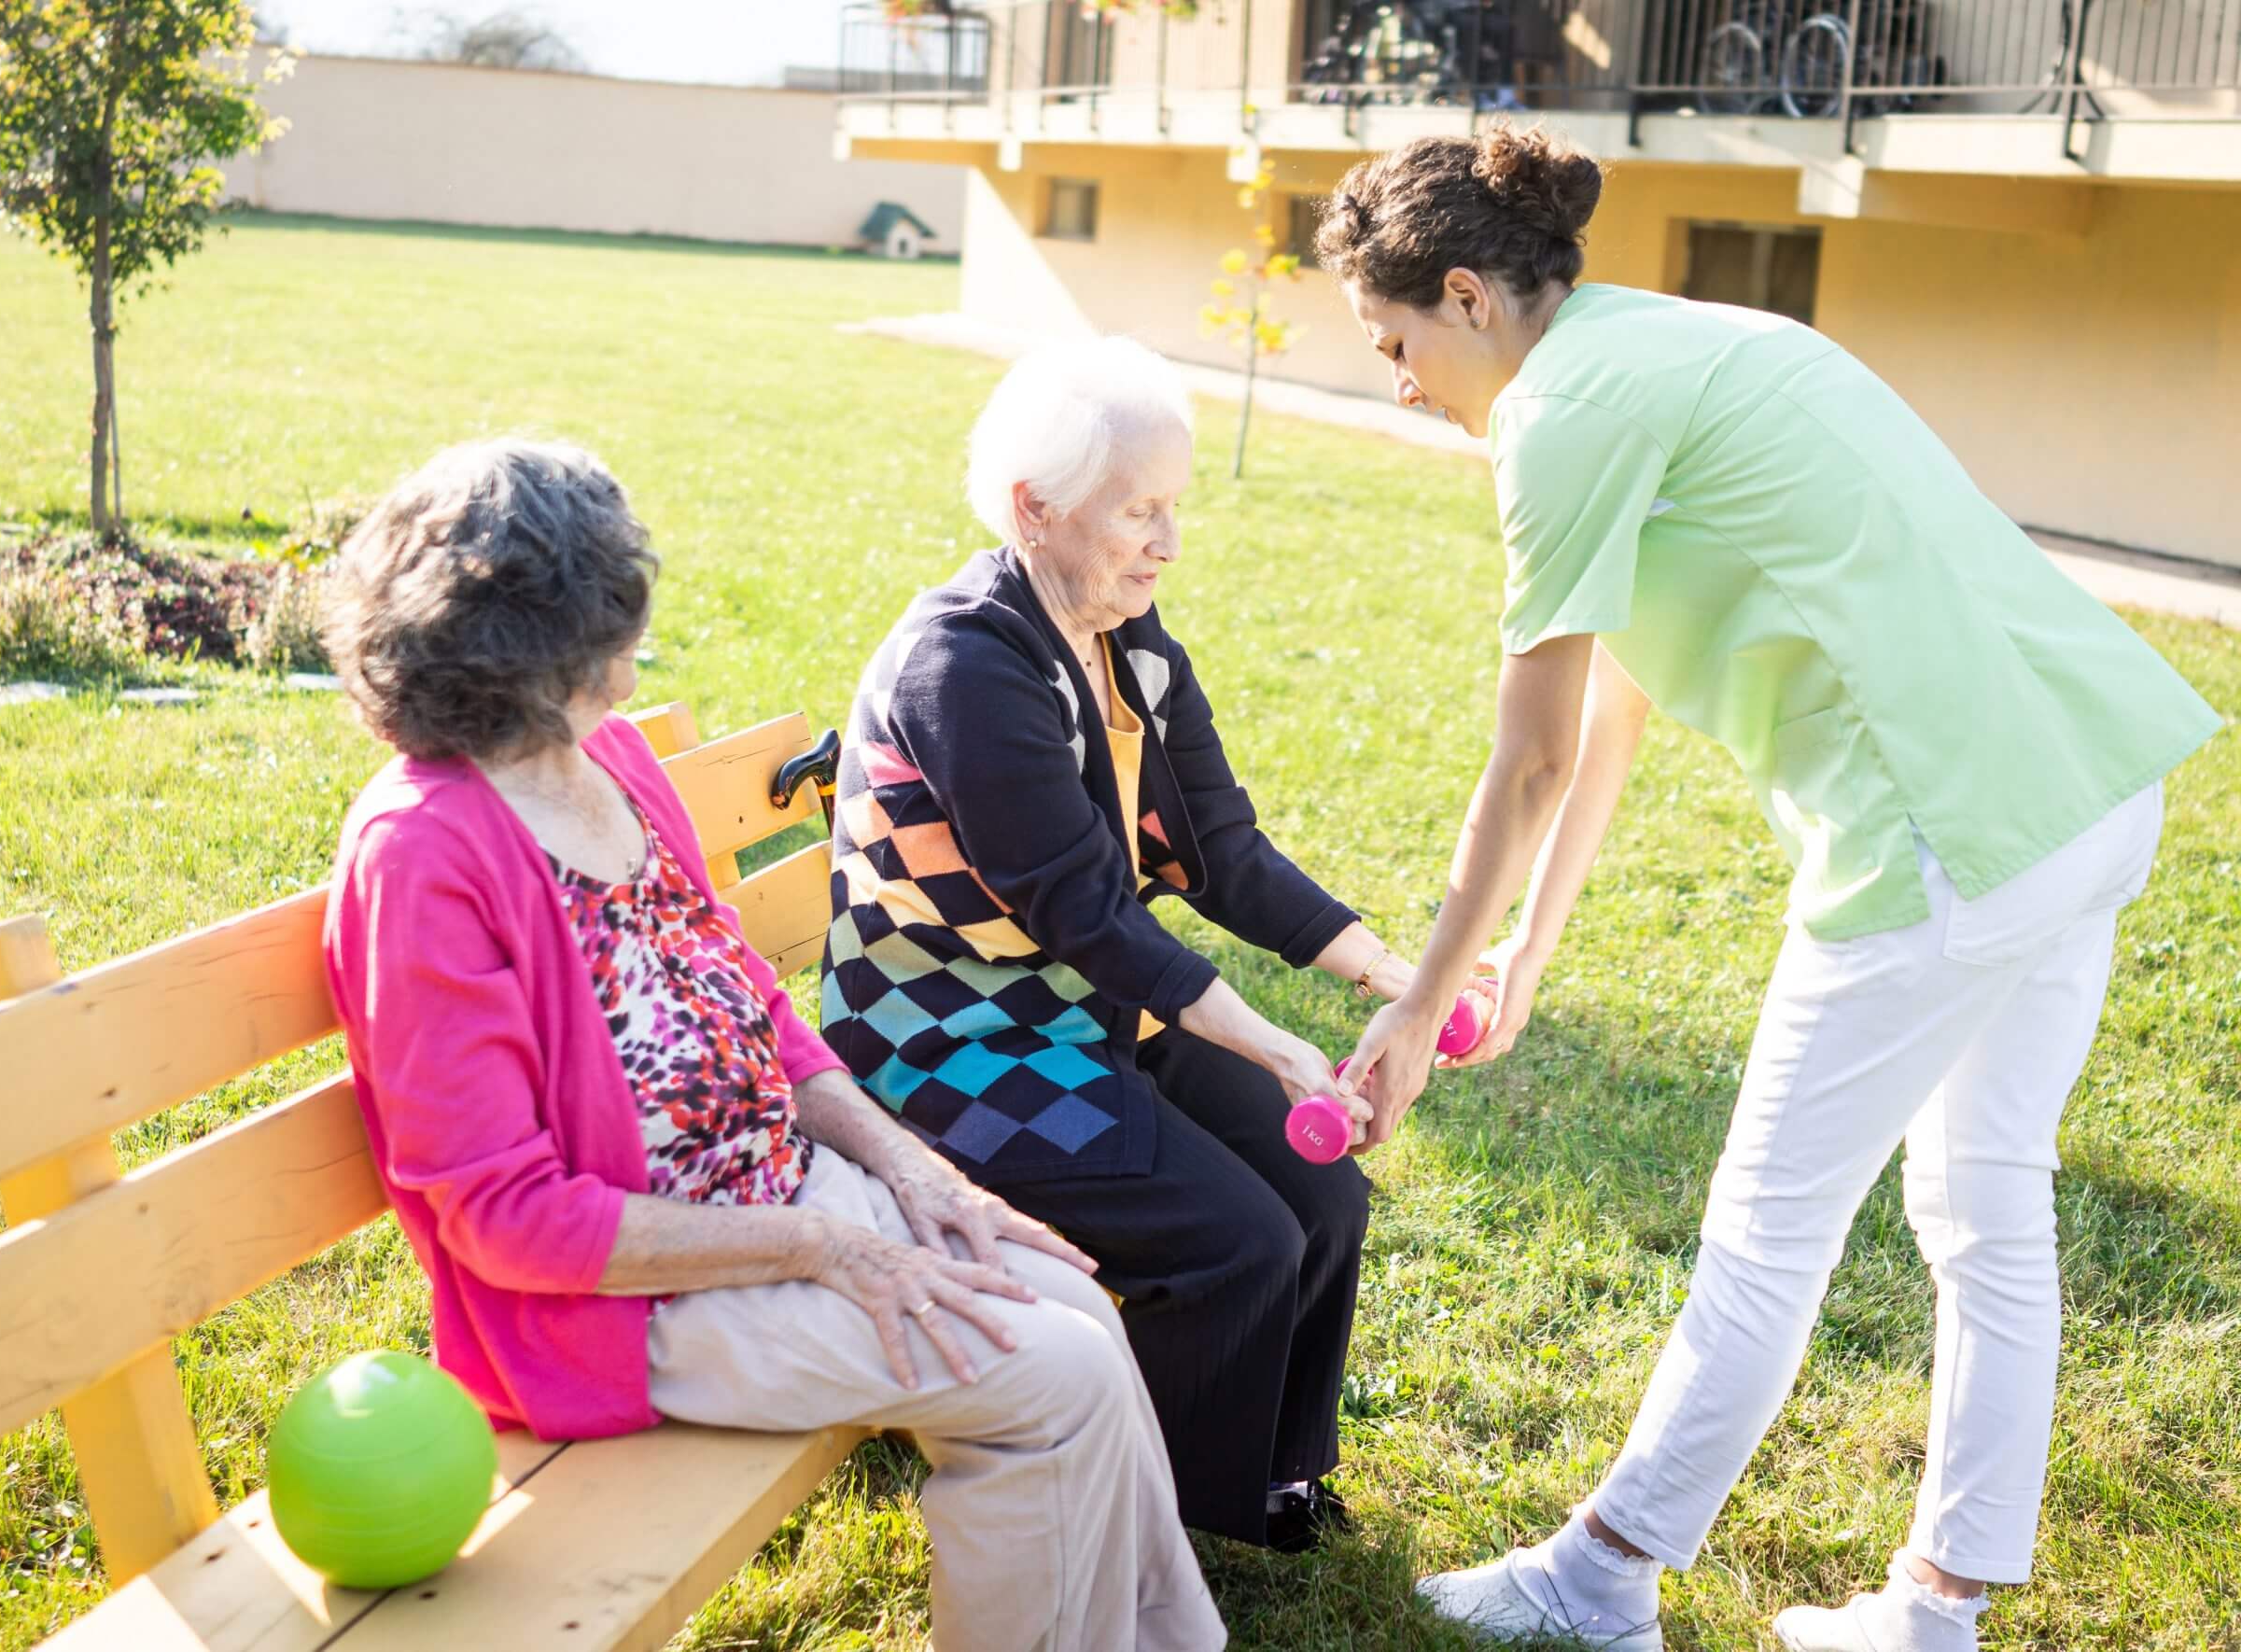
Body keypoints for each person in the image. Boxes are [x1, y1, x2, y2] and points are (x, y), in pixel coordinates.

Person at [1315, 131, 2220, 1650]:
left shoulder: (1560, 411)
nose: (1398, 380)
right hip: (2090, 788)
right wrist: (1528, 951)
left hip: (1945, 830)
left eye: (1393, 342)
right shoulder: (1678, 339)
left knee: (1767, 1231)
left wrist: (1418, 1001)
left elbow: (1527, 759)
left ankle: (1600, 1576)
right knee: (1988, 1200)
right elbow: (1613, 699)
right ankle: (1937, 1609)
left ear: (1464, 297)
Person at [319, 438, 1225, 1652]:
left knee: (1077, 1309)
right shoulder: (421, 853)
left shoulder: (610, 760)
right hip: (634, 1295)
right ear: (515, 654)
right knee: (1048, 1381)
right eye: (606, 637)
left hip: (783, 1192)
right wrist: (818, 1245)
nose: (630, 659)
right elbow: (503, 1216)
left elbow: (745, 994)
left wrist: (910, 1169)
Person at [821, 338, 1418, 1552]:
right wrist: (1278, 1048)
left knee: (1323, 1192)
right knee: (1234, 1244)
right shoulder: (966, 665)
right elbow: (1085, 908)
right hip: (948, 1046)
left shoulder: (1131, 645)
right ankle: (1159, 1526)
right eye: (1140, 509)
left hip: (1084, 1015)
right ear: (1035, 510)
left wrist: (1398, 976)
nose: (1168, 541)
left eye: (1174, 507)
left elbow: (1223, 854)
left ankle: (1269, 1479)